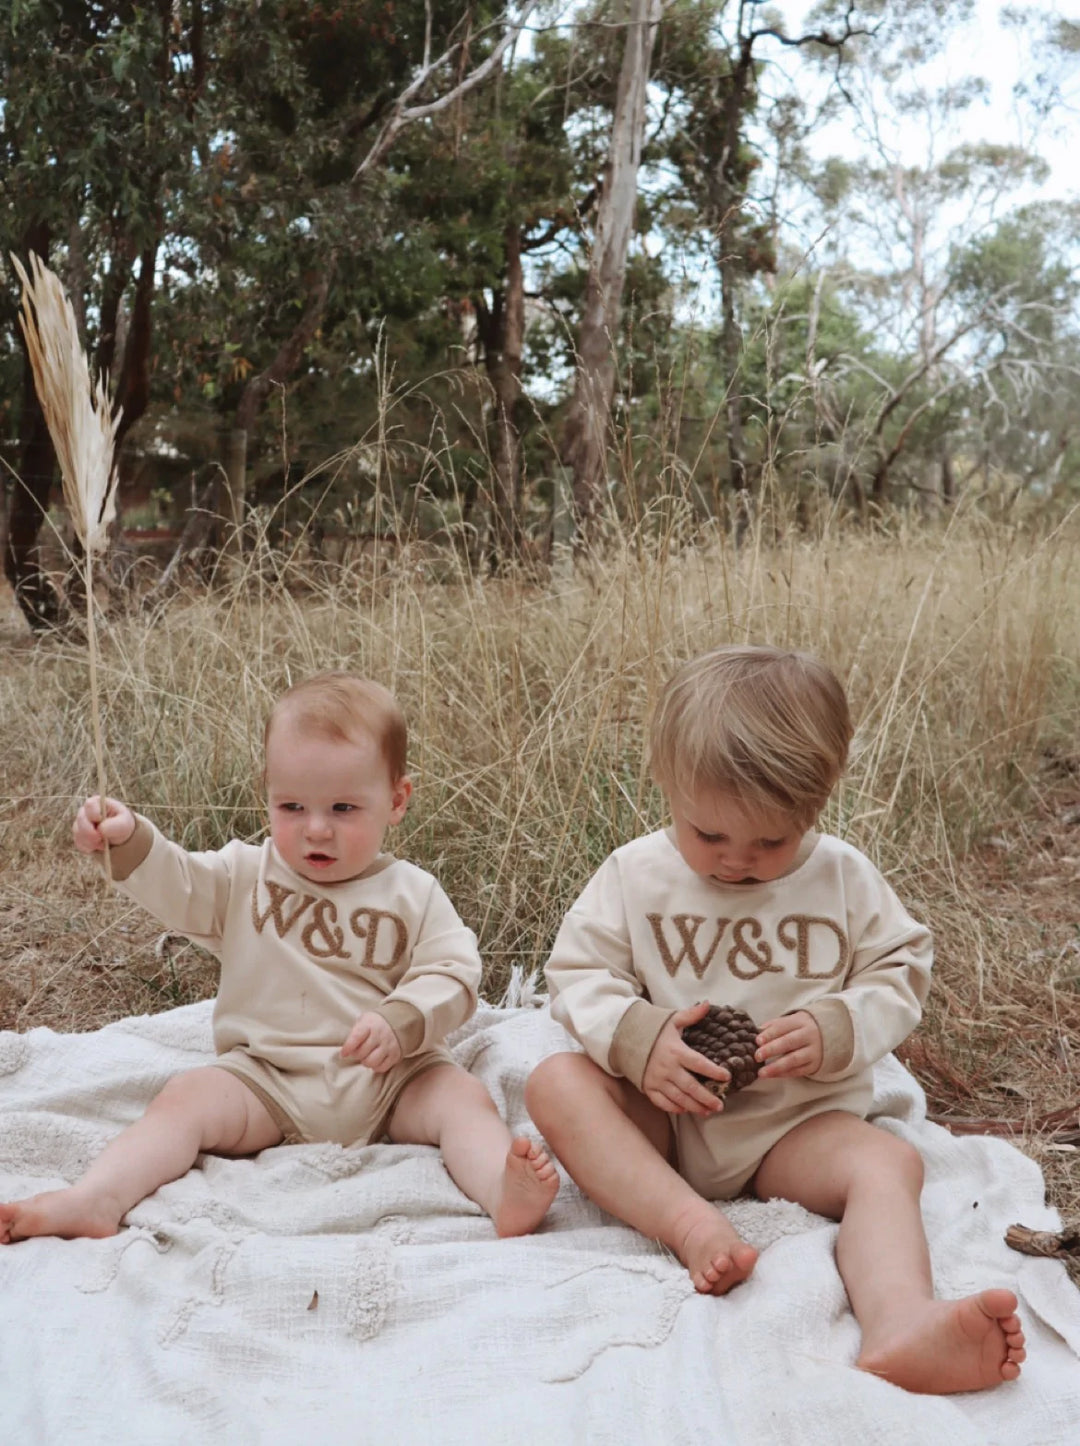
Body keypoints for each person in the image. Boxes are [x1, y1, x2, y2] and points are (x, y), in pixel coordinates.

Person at [525, 644, 1026, 1395]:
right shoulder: (636, 875)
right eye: (709, 836)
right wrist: (638, 1037)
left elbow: (901, 966)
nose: (735, 861)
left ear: (815, 805)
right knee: (555, 1084)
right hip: (663, 1119)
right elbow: (577, 971)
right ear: (669, 786)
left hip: (791, 1129)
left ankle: (901, 1323)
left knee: (889, 1164)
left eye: (770, 841)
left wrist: (839, 1025)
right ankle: (691, 1226)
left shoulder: (842, 878)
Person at [1, 673, 557, 1245]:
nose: (316, 829)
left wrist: (403, 1018)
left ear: (396, 801)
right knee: (183, 1100)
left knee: (460, 1096)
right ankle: (97, 1197)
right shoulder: (247, 873)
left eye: (343, 807)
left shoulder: (412, 893)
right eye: (291, 806)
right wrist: (132, 840)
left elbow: (455, 972)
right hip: (266, 1078)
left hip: (390, 1080)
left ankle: (499, 1190)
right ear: (268, 792)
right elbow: (182, 887)